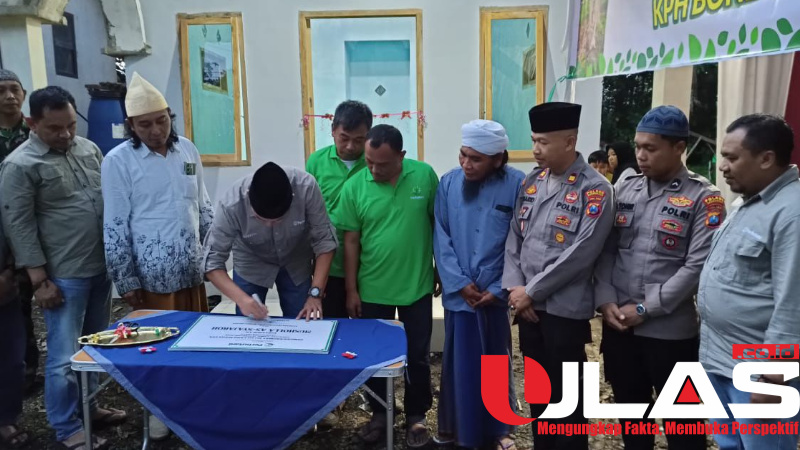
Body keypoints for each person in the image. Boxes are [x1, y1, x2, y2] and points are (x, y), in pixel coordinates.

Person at [0, 86, 126, 450]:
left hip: (99, 265)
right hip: (63, 275)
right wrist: (39, 279)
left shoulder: (89, 149)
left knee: (93, 346)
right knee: (62, 357)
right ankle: (67, 426)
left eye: (70, 125)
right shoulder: (20, 165)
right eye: (55, 128)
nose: (66, 134)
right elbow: (18, 225)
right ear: (32, 123)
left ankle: (90, 407)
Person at [594, 105, 723, 450]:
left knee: (683, 426)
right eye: (638, 147)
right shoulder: (626, 188)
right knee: (632, 417)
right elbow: (607, 250)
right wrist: (605, 299)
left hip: (670, 333)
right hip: (619, 325)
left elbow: (696, 267)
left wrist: (645, 309)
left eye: (650, 148)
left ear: (678, 147)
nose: (640, 155)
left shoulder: (704, 197)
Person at [101, 72, 214, 440]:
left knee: (193, 341)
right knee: (155, 347)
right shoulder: (118, 161)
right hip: (152, 275)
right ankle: (158, 412)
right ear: (131, 126)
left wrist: (214, 257)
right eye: (145, 124)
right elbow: (114, 224)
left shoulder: (188, 150)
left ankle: (194, 405)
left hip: (191, 269)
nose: (155, 130)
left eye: (161, 121)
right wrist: (125, 278)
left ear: (170, 116)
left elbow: (203, 207)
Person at [503, 102, 613, 450]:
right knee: (538, 397)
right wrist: (517, 289)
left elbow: (582, 253)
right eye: (533, 140)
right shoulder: (532, 182)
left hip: (564, 311)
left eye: (543, 142)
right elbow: (514, 237)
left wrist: (531, 292)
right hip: (527, 308)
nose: (535, 149)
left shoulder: (595, 189)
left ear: (569, 141)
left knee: (567, 402)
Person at [334, 124, 439, 448]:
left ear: (401, 157)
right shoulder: (355, 187)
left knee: (417, 356)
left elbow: (437, 223)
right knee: (376, 358)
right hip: (372, 289)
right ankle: (380, 415)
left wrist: (438, 267)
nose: (374, 169)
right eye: (369, 162)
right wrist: (351, 289)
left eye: (382, 164)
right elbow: (350, 241)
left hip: (416, 285)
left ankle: (416, 415)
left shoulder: (424, 176)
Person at [700, 114, 800, 450]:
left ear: (766, 158)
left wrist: (773, 376)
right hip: (720, 360)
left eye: (732, 158)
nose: (723, 167)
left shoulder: (792, 213)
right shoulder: (748, 201)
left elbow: (793, 305)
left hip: (758, 374)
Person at [434, 120, 524, 450]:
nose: (466, 164)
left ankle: (499, 428)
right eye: (463, 155)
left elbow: (521, 240)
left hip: (495, 293)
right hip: (461, 294)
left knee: (495, 360)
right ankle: (456, 428)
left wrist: (500, 288)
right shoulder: (448, 183)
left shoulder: (518, 184)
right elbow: (441, 236)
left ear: (497, 159)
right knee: (458, 363)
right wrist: (458, 283)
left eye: (476, 159)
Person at [203, 162, 336, 321]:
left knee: (302, 320)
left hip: (296, 259)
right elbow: (212, 261)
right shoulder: (232, 204)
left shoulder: (306, 188)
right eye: (261, 220)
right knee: (249, 324)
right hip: (250, 260)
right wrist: (242, 299)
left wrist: (315, 294)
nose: (270, 225)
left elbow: (325, 242)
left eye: (279, 220)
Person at [305, 100, 371, 318]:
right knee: (333, 323)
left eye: (359, 140)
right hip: (329, 264)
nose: (351, 146)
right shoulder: (316, 162)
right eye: (344, 138)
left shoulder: (374, 164)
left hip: (367, 265)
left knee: (364, 326)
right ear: (333, 131)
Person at [0, 68, 39, 394]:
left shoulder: (36, 132)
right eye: (1, 91)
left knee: (23, 303)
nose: (9, 96)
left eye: (15, 89)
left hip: (31, 232)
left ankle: (27, 369)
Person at [0, 205, 28, 448]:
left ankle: (6, 420)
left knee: (12, 360)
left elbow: (13, 226)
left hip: (5, 291)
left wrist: (10, 272)